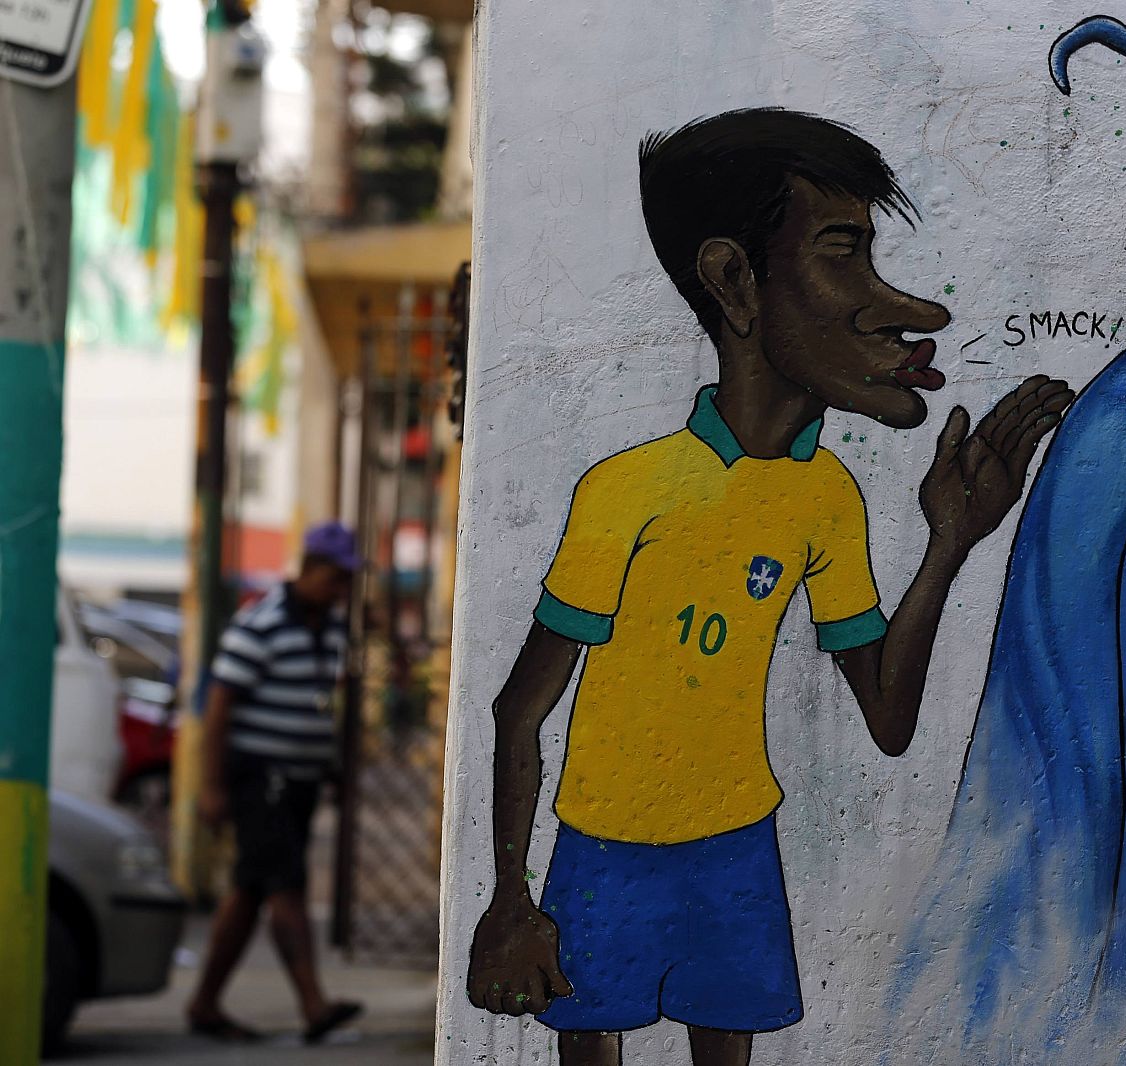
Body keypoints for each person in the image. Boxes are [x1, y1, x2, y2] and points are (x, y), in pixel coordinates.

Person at [465, 107, 1074, 1066]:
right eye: (844, 257)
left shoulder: (825, 497)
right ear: (734, 281)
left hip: (737, 848)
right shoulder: (627, 491)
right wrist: (510, 900)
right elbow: (518, 710)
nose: (890, 304)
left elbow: (887, 715)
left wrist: (950, 544)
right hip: (603, 851)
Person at [186, 521, 365, 1043]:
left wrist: (331, 766)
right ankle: (314, 1005)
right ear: (308, 571)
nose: (341, 591)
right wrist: (212, 786)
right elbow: (217, 711)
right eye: (334, 579)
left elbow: (320, 705)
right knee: (286, 885)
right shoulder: (258, 624)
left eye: (346, 581)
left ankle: (203, 1004)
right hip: (261, 778)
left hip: (300, 782)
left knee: (248, 889)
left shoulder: (329, 628)